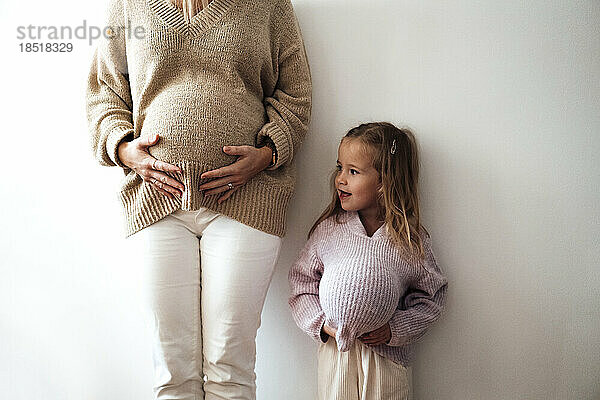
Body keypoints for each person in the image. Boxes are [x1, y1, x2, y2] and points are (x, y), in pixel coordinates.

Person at [85, 0, 312, 398]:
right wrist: (124, 149)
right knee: (173, 372)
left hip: (248, 201)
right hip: (156, 201)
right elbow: (103, 93)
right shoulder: (128, 6)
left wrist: (267, 153)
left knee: (230, 368)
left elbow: (295, 93)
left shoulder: (269, 5)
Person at [288, 122, 448, 400]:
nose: (340, 179)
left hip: (386, 359)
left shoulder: (409, 240)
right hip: (337, 354)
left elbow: (431, 297)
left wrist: (394, 329)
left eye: (353, 171)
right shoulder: (330, 230)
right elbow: (301, 284)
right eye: (340, 168)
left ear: (384, 181)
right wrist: (321, 324)